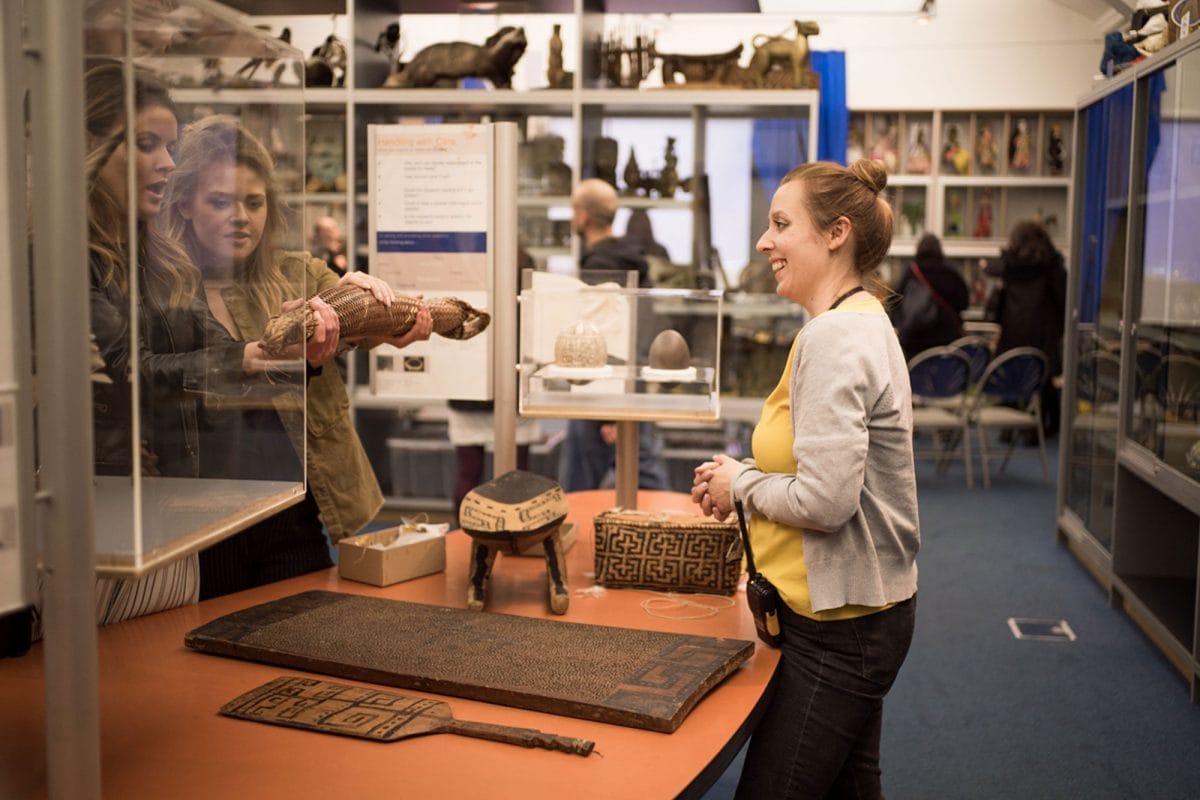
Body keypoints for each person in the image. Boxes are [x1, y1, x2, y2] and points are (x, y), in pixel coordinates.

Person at [691, 159, 919, 799]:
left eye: (781, 224)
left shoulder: (835, 338)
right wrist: (746, 478)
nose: (765, 242)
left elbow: (826, 500)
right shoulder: (858, 318)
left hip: (841, 629)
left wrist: (741, 483)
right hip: (857, 613)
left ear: (836, 233)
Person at [84, 63, 321, 624]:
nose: (163, 162)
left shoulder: (149, 255)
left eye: (254, 202)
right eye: (147, 144)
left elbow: (207, 349)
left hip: (233, 502)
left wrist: (356, 303)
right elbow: (125, 368)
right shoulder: (108, 255)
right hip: (152, 504)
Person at [161, 114, 433, 598]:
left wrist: (368, 299)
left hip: (295, 509)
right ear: (183, 203)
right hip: (204, 515)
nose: (240, 216)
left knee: (302, 628)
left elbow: (369, 325)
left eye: (254, 202)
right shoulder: (162, 289)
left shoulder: (296, 272)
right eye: (219, 201)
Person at [563, 178, 668, 492]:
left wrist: (609, 412)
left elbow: (602, 338)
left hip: (600, 397)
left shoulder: (600, 267)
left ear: (583, 217)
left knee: (578, 490)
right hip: (631, 388)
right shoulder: (633, 262)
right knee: (646, 476)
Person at [985, 219, 1068, 437]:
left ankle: (1009, 428)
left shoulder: (1009, 267)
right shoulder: (1053, 267)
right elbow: (1064, 301)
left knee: (1012, 374)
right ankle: (1040, 430)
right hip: (1044, 334)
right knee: (1043, 378)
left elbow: (999, 304)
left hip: (1013, 331)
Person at [890, 232, 969, 361]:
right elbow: (964, 303)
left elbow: (894, 303)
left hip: (914, 344)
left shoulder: (911, 273)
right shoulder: (951, 274)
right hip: (947, 343)